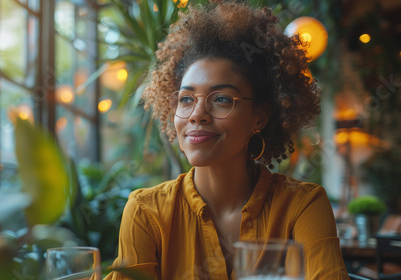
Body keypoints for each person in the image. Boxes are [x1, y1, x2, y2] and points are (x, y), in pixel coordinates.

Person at [105, 1, 348, 279]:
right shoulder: (146, 212)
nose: (197, 115)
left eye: (220, 99)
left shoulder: (303, 206)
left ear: (260, 117)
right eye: (186, 99)